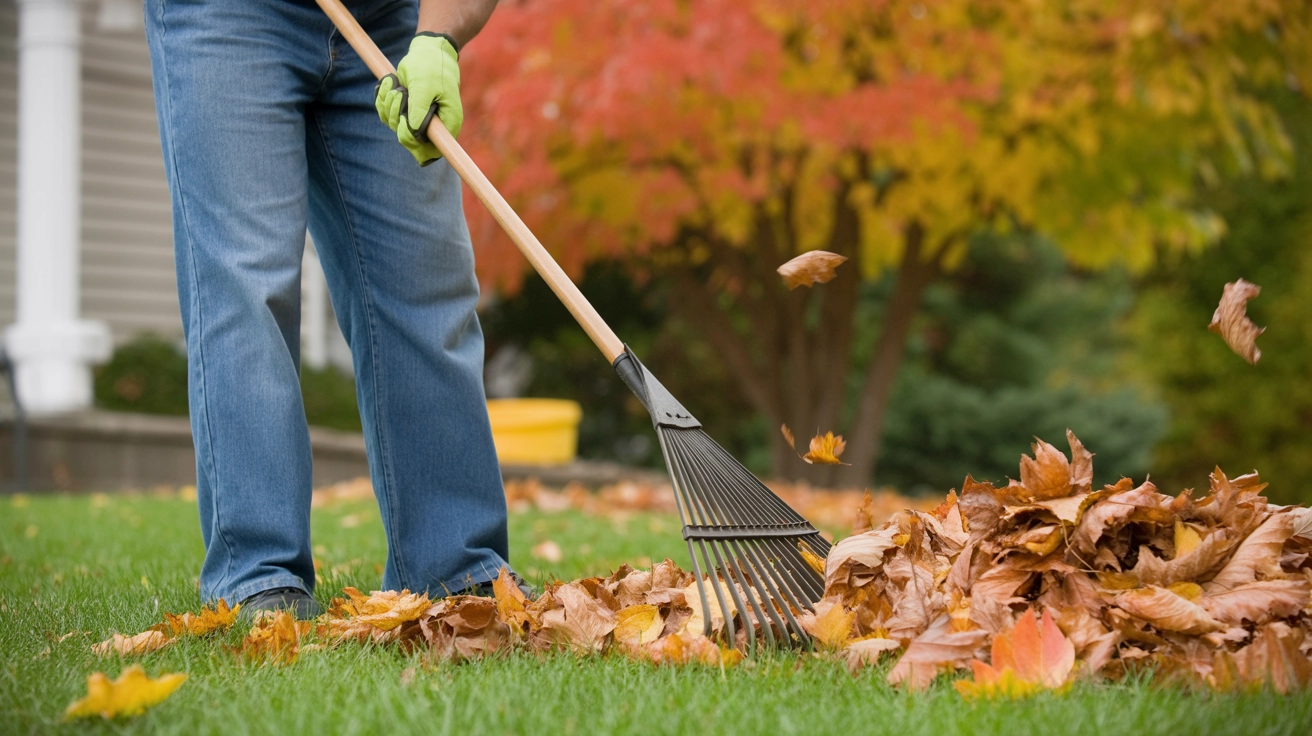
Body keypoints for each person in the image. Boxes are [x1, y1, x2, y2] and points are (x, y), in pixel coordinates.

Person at [144, 0, 518, 618]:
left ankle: (455, 569)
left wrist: (439, 40)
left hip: (391, 20)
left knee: (426, 282)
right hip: (226, 18)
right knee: (246, 281)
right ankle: (259, 578)